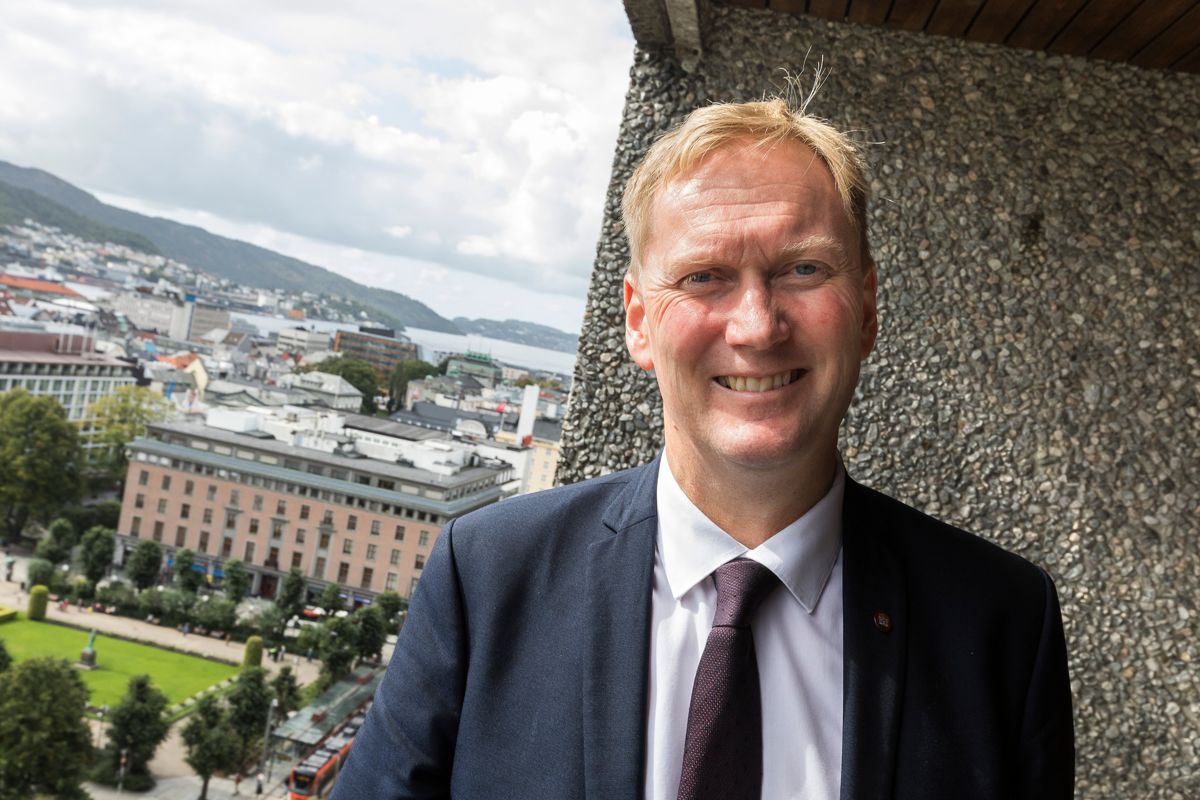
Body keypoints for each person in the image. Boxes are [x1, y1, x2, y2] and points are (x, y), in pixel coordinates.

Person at [332, 99, 1074, 799]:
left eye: (803, 269)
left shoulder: (1002, 621)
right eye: (703, 277)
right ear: (639, 321)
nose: (756, 326)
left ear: (868, 309)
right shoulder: (490, 577)